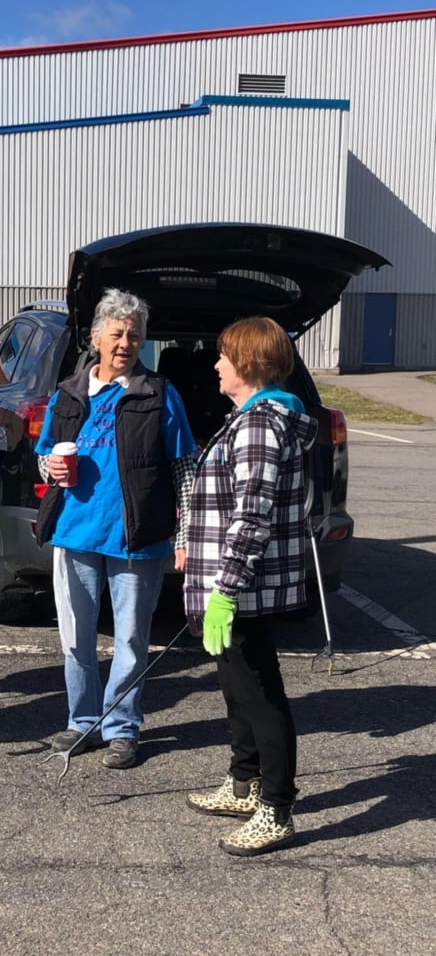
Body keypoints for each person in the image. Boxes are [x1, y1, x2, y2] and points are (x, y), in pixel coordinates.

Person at [34, 288, 197, 770]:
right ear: (96, 338)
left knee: (129, 638)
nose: (126, 343)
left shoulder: (158, 394)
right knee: (75, 638)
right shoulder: (69, 392)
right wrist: (50, 468)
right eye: (118, 333)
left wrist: (185, 537)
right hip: (74, 532)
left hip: (136, 537)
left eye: (135, 335)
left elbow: (184, 468)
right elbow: (43, 454)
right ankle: (81, 722)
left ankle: (122, 727)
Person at [183, 316, 318, 856]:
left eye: (222, 355)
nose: (215, 365)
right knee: (237, 688)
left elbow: (252, 517)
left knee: (259, 695)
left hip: (243, 588)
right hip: (237, 587)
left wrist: (225, 589)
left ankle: (276, 808)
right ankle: (244, 783)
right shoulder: (246, 418)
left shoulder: (260, 423)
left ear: (248, 362)